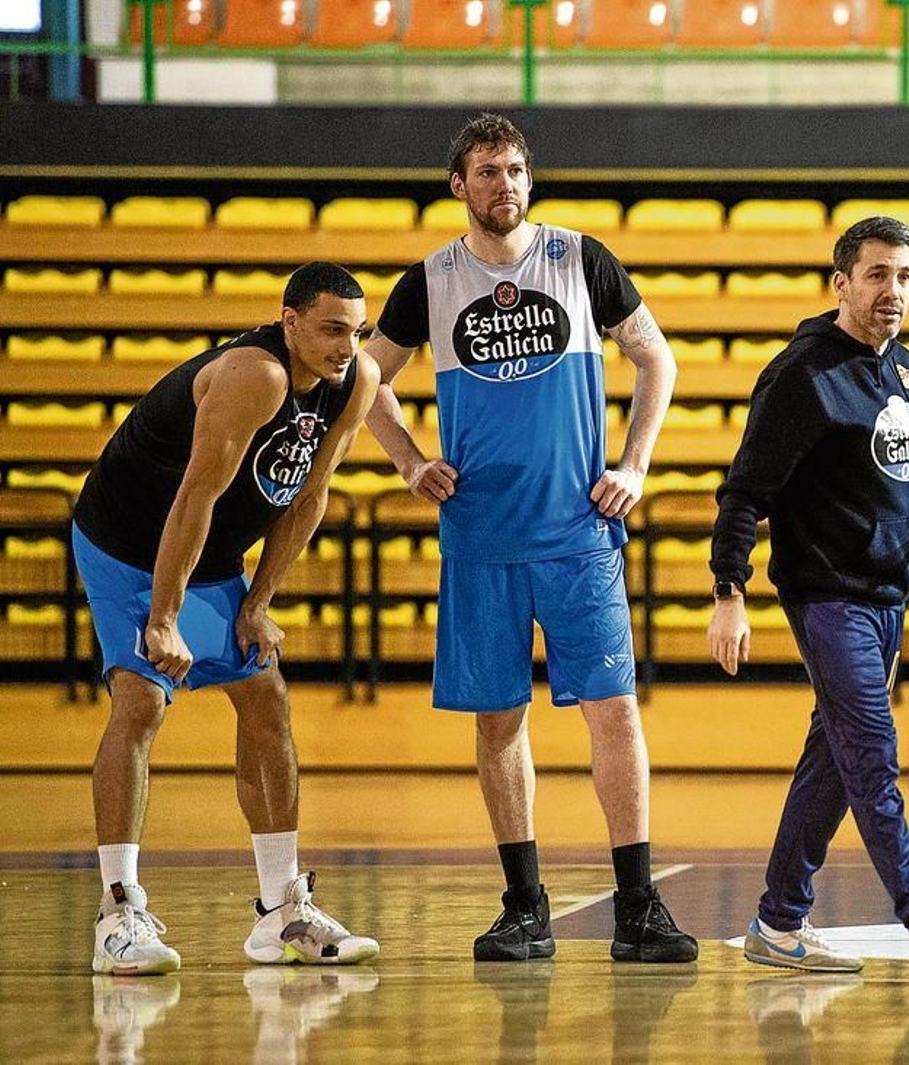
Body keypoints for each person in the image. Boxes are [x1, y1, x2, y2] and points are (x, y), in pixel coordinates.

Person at [362, 113, 695, 963]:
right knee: (497, 722)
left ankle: (638, 905)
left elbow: (657, 360)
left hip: (580, 531)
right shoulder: (429, 281)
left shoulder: (581, 258)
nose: (502, 183)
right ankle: (525, 905)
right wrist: (407, 460)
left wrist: (636, 463)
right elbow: (361, 378)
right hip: (481, 538)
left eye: (513, 169)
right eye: (485, 170)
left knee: (615, 712)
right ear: (458, 185)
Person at [76, 262, 382, 974]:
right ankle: (117, 914)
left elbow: (310, 495)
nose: (346, 344)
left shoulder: (354, 381)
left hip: (210, 554)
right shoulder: (257, 376)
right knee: (143, 697)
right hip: (128, 541)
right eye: (332, 327)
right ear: (290, 321)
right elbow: (196, 495)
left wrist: (258, 602)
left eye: (357, 330)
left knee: (267, 698)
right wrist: (162, 619)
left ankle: (282, 911)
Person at [707, 216, 909, 983]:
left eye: (903, 275)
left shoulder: (903, 369)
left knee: (832, 762)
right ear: (841, 282)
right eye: (875, 275)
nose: (892, 291)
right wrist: (729, 590)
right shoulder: (802, 375)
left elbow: (903, 475)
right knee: (871, 756)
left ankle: (778, 919)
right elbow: (743, 492)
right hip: (829, 599)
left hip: (890, 597)